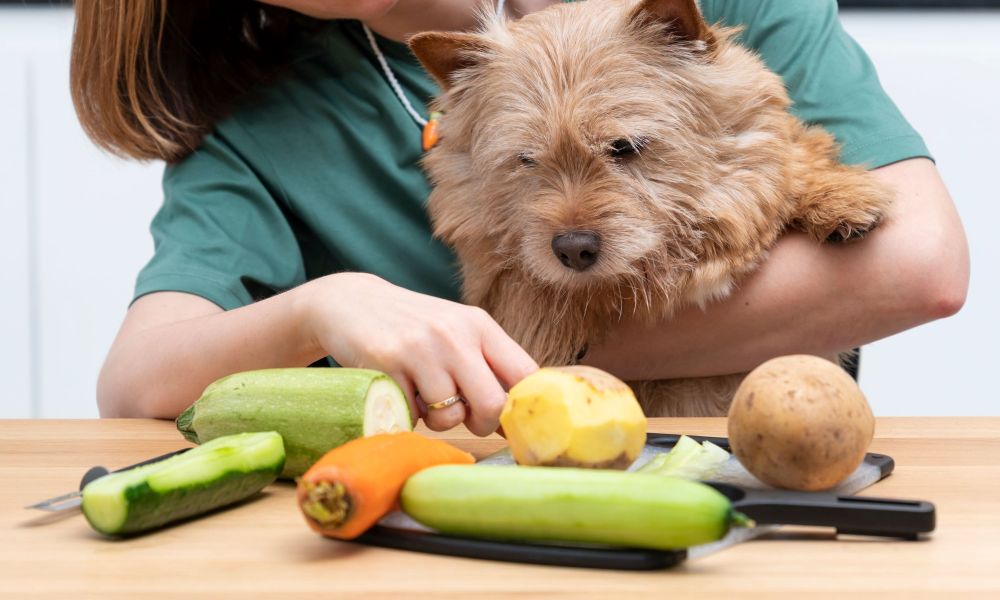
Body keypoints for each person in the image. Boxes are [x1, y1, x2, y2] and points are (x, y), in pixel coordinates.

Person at [71, 0, 968, 433]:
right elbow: (135, 384)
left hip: (765, 481)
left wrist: (522, 364)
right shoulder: (267, 125)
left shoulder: (708, 16)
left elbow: (919, 266)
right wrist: (321, 306)